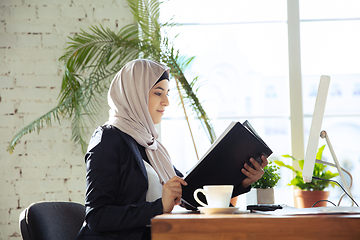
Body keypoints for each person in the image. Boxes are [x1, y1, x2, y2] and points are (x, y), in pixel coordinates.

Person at [76, 59, 268, 240]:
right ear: (135, 94)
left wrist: (241, 181)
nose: (166, 102)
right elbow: (97, 216)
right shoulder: (108, 138)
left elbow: (191, 194)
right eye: (158, 93)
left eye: (167, 94)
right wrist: (160, 206)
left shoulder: (153, 147)